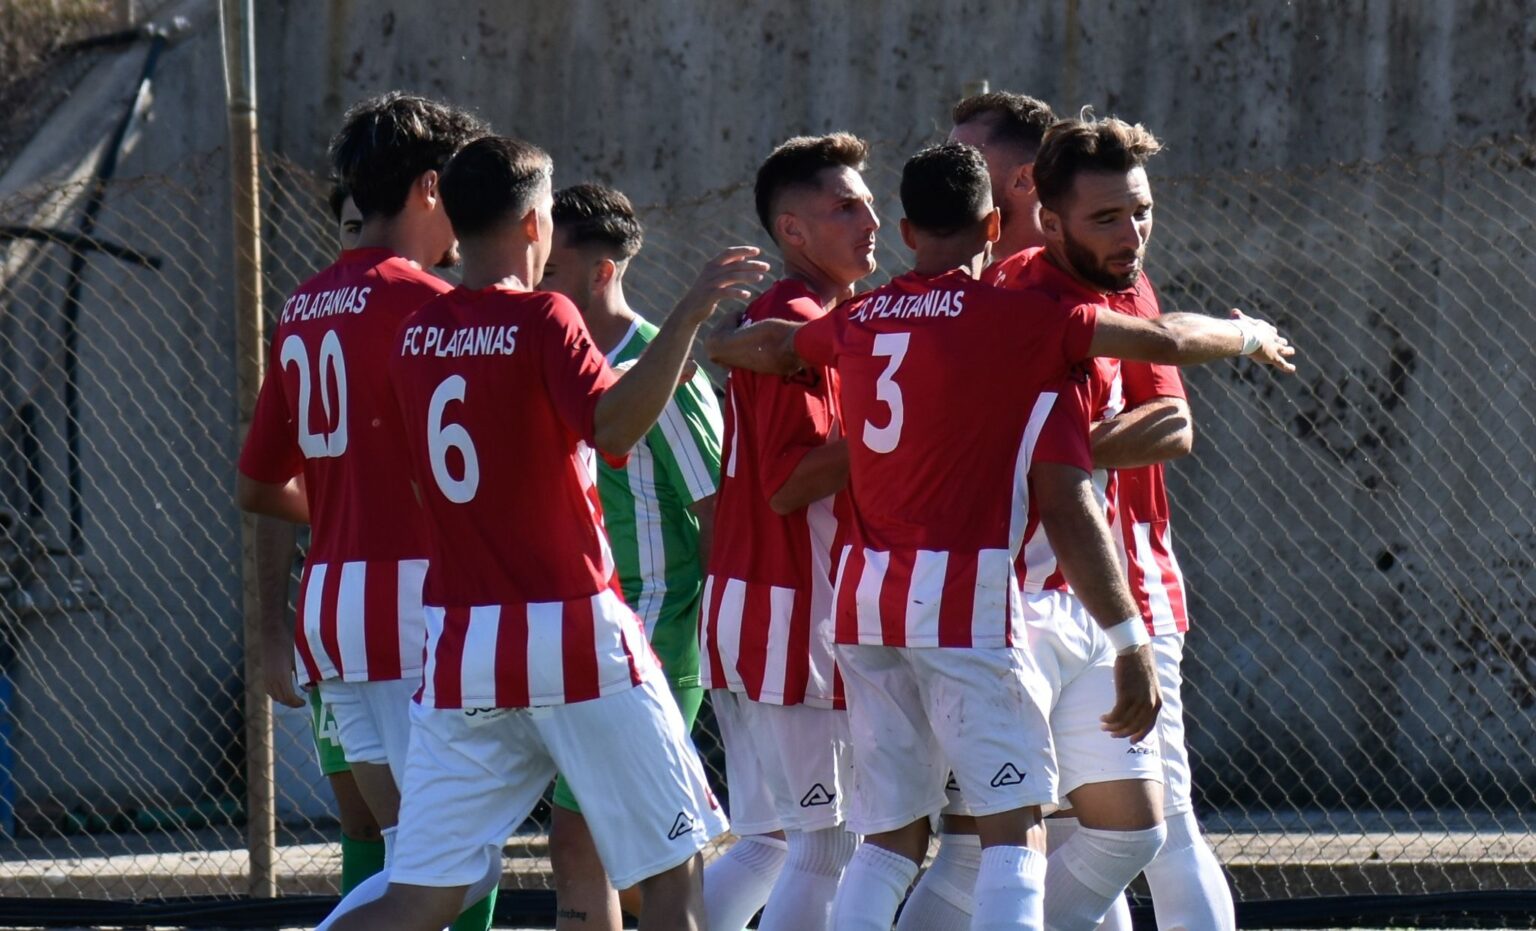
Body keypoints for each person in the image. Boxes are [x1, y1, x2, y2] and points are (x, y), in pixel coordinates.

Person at [708, 140, 1294, 931]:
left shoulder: (859, 315)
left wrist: (716, 342)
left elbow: (780, 346)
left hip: (864, 606)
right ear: (995, 226)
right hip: (963, 606)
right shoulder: (1016, 317)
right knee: (1012, 835)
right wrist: (1250, 334)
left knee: (883, 843)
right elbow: (1163, 342)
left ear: (906, 230)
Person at [321, 135, 766, 931]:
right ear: (535, 224)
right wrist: (690, 316)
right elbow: (613, 424)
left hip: (461, 643)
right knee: (673, 871)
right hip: (572, 629)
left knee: (419, 894)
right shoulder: (545, 315)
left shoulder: (416, 334)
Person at [975, 102, 1240, 931]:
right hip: (1025, 598)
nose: (1134, 231)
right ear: (1046, 210)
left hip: (1127, 585)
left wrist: (1049, 451)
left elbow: (1175, 423)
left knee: (1160, 824)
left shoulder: (1120, 282)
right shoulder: (998, 289)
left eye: (1142, 211)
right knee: (1062, 833)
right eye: (1112, 216)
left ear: (1022, 179)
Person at [235, 92, 496, 929]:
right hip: (422, 605)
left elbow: (257, 484)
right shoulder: (430, 305)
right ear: (431, 187)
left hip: (333, 604)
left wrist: (348, 497)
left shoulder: (304, 303)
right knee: (460, 862)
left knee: (413, 855)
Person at [698, 132, 877, 931]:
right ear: (792, 230)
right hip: (789, 613)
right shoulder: (795, 319)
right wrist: (905, 430)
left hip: (757, 606)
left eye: (868, 203)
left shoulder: (804, 319)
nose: (870, 220)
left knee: (770, 842)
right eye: (846, 207)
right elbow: (788, 484)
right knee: (825, 846)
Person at [538, 181, 725, 930]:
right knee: (582, 841)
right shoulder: (556, 360)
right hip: (587, 640)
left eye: (551, 270)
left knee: (639, 851)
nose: (535, 283)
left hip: (656, 641)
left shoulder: (659, 371)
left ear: (601, 272)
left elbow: (717, 514)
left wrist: (718, 646)